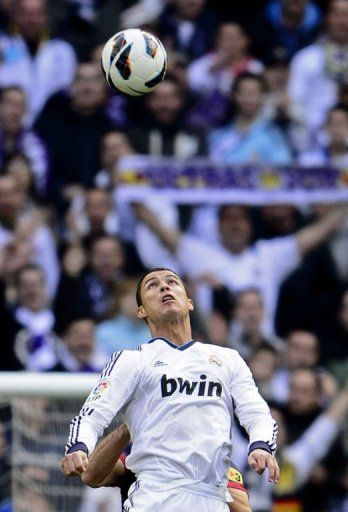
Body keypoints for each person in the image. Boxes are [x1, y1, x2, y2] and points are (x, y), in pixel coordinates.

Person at [61, 267, 279, 512]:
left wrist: (261, 445)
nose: (164, 287)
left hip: (212, 498)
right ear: (141, 310)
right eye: (152, 285)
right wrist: (78, 446)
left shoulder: (228, 359)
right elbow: (92, 415)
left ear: (190, 302)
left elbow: (257, 412)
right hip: (155, 498)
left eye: (172, 282)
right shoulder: (132, 360)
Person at [132, 202, 348, 333]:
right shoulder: (201, 255)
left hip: (262, 352)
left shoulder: (268, 255)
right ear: (218, 226)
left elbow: (316, 234)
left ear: (250, 225)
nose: (235, 224)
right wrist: (129, 189)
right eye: (228, 219)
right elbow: (160, 230)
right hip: (216, 348)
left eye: (241, 219)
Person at [80, 423, 252, 512]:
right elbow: (91, 476)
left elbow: (241, 507)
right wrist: (129, 425)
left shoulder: (213, 460)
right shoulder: (138, 451)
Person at [0, 0, 76, 124]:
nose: (31, 20)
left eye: (37, 14)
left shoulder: (62, 51)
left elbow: (65, 91)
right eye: (26, 14)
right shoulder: (3, 46)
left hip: (51, 123)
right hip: (8, 123)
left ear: (46, 17)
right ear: (15, 15)